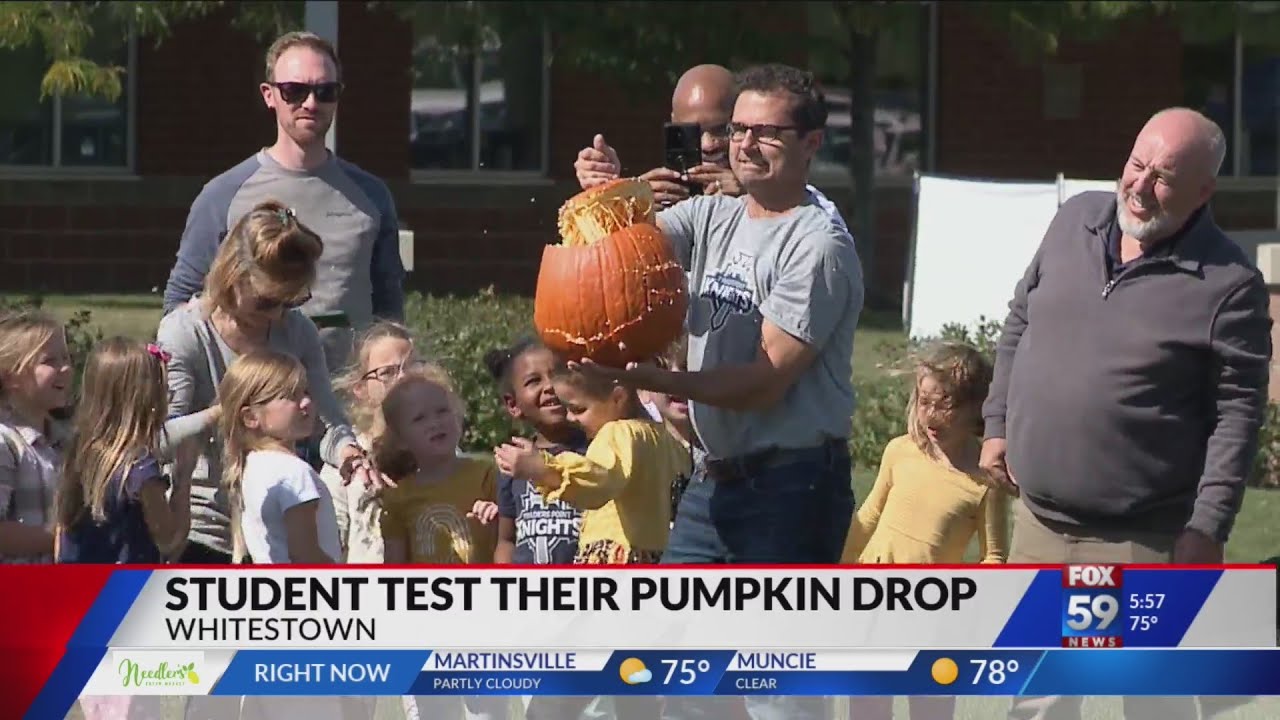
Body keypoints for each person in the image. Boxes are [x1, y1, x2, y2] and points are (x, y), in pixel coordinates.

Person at [569, 63, 862, 720]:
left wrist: (654, 380)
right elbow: (615, 253)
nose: (743, 144)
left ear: (812, 142)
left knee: (774, 694)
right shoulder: (715, 216)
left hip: (792, 486)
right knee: (681, 679)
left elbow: (762, 383)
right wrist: (608, 194)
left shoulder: (817, 246)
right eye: (737, 130)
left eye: (766, 131)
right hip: (716, 480)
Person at [979, 107, 1272, 720]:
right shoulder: (1075, 219)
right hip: (1038, 526)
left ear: (1203, 191)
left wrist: (1209, 525)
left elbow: (1237, 415)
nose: (1139, 186)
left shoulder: (1229, 284)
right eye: (1136, 165)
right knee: (1035, 702)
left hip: (1142, 539)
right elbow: (1019, 319)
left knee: (1153, 703)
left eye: (1163, 177)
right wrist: (998, 422)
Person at [162, 30, 405, 372]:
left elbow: (389, 307)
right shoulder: (223, 195)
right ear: (269, 95)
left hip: (349, 397)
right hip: (256, 403)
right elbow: (179, 305)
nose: (310, 103)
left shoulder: (372, 196)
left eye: (325, 91)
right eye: (294, 90)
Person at [156, 200, 371, 567]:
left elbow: (327, 419)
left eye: (292, 301)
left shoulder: (297, 330)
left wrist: (350, 455)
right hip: (202, 528)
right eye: (267, 300)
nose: (278, 314)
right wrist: (222, 414)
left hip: (278, 527)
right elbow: (159, 440)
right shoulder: (185, 333)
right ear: (232, 275)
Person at [843, 342, 1008, 720]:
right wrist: (841, 573)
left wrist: (966, 605)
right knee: (867, 708)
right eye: (923, 401)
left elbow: (994, 557)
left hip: (932, 616)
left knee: (931, 708)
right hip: (872, 603)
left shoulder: (985, 480)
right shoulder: (899, 451)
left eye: (946, 405)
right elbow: (869, 516)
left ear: (976, 408)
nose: (931, 416)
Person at [574, 63, 849, 234]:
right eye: (691, 132)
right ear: (673, 124)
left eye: (723, 129)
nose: (707, 145)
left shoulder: (812, 218)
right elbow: (604, 275)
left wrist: (749, 196)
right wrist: (613, 197)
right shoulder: (665, 201)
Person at [373, 365, 505, 720]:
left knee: (488, 708)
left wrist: (495, 515)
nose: (436, 423)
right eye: (420, 418)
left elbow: (508, 540)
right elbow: (395, 572)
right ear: (400, 439)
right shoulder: (400, 499)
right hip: (428, 623)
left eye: (442, 411)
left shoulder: (487, 474)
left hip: (481, 617)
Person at [55, 339, 198, 565]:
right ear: (148, 400)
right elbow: (170, 540)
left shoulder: (78, 452)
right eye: (165, 391)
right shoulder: (140, 468)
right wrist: (184, 476)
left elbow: (61, 530)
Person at [322, 320, 425, 564]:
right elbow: (328, 549)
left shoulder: (442, 446)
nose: (403, 379)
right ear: (361, 389)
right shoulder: (346, 462)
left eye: (412, 367)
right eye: (387, 372)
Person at [485, 337, 586, 566]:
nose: (549, 386)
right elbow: (507, 540)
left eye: (559, 374)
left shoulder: (597, 449)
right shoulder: (513, 460)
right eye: (533, 381)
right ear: (513, 404)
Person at [0, 310, 72, 565]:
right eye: (49, 361)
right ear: (10, 378)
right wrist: (64, 541)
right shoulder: (5, 443)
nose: (65, 367)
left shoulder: (63, 440)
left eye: (65, 356)